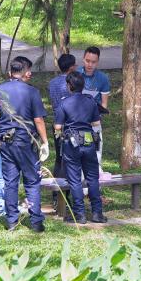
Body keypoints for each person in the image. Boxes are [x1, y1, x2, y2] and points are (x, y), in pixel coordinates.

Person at [0, 56, 49, 232]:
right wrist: (45, 142)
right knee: (32, 182)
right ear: (26, 72)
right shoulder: (31, 91)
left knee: (10, 182)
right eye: (30, 71)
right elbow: (38, 120)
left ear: (11, 72)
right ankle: (36, 222)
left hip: (6, 143)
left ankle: (11, 221)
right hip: (26, 141)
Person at [54, 71, 107, 224]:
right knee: (92, 178)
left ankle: (80, 215)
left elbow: (58, 126)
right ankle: (97, 213)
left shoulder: (64, 103)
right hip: (89, 141)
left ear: (69, 86)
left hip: (71, 144)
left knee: (75, 180)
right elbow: (96, 124)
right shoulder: (90, 102)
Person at [48, 54, 77, 211]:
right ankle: (65, 196)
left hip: (56, 125)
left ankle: (56, 196)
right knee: (70, 160)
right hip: (70, 126)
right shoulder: (71, 83)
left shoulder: (52, 83)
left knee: (59, 159)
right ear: (71, 67)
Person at [78, 46, 110, 174]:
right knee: (82, 151)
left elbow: (104, 103)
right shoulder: (76, 75)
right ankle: (82, 184)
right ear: (83, 59)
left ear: (98, 61)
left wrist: (98, 117)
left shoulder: (102, 78)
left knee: (96, 150)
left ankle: (96, 182)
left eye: (93, 62)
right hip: (79, 123)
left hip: (94, 123)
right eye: (87, 60)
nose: (90, 64)